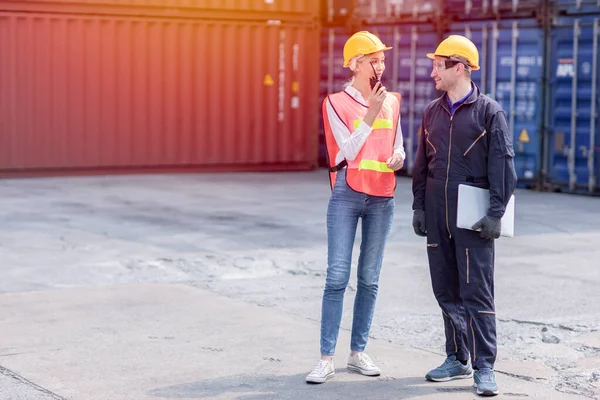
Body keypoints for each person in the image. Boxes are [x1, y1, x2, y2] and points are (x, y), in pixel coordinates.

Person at [411, 35, 517, 397]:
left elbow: (503, 165)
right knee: (445, 289)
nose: (431, 73)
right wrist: (419, 205)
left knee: (476, 292)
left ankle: (484, 367)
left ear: (459, 67)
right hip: (438, 214)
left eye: (437, 65)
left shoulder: (489, 112)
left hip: (473, 217)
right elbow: (422, 165)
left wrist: (495, 214)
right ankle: (457, 357)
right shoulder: (432, 112)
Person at [305, 31, 405, 384]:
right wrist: (370, 113)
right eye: (373, 60)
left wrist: (398, 158)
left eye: (382, 60)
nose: (380, 66)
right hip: (347, 194)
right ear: (355, 64)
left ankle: (358, 352)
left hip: (383, 195)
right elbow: (345, 153)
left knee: (369, 279)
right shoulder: (334, 103)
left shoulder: (391, 101)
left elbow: (399, 145)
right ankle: (326, 358)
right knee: (336, 277)